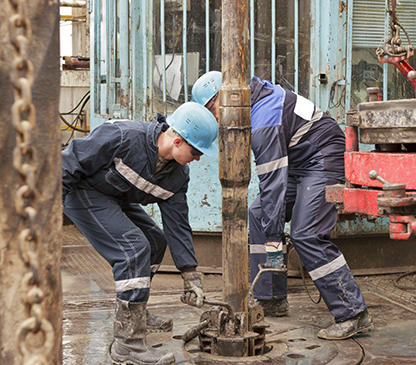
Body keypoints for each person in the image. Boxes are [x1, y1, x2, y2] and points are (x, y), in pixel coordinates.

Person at [192, 71, 373, 340]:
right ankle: (271, 297)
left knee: (306, 233)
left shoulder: (264, 119)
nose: (215, 118)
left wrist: (275, 241)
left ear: (228, 96)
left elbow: (274, 185)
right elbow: (272, 192)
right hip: (298, 161)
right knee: (256, 213)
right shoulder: (255, 102)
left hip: (322, 157)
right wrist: (270, 234)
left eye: (212, 108)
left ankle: (353, 313)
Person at [62, 102, 218, 365]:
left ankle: (135, 313)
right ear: (178, 141)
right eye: (196, 151)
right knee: (133, 249)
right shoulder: (123, 137)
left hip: (113, 196)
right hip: (82, 191)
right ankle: (128, 345)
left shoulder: (177, 176)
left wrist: (190, 273)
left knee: (155, 242)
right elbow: (69, 161)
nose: (199, 158)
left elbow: (177, 224)